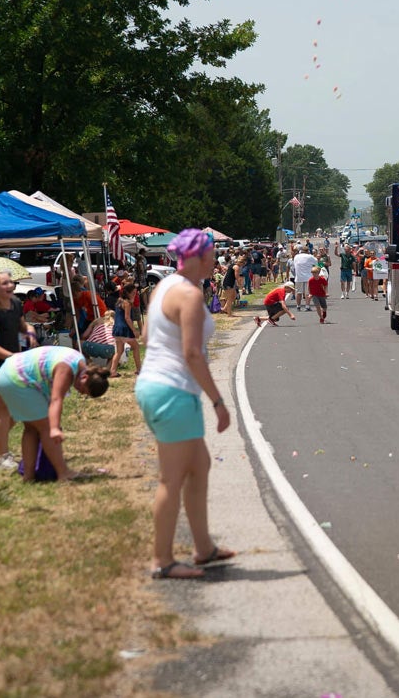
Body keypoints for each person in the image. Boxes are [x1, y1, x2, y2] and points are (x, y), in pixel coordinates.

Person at [135, 229, 235, 579]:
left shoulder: (164, 286)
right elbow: (192, 353)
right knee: (172, 479)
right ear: (198, 256)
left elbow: (146, 336)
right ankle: (162, 561)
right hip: (173, 390)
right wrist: (218, 401)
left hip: (159, 386)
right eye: (212, 255)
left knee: (200, 465)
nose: (214, 261)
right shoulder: (190, 295)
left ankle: (203, 548)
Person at [0, 345, 110, 482]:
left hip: (7, 373)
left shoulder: (78, 361)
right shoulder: (67, 369)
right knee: (46, 428)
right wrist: (54, 428)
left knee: (31, 428)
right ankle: (63, 473)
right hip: (17, 378)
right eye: (83, 390)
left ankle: (29, 476)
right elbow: (56, 399)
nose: (80, 392)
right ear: (84, 377)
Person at [0, 269, 37, 470]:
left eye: (10, 282)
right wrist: (12, 356)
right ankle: (2, 457)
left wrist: (30, 331)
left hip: (12, 363)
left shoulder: (15, 304)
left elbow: (22, 325)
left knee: (16, 410)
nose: (10, 285)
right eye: (4, 283)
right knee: (3, 410)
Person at [109, 282, 141, 378]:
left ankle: (112, 371)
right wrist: (134, 330)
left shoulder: (119, 301)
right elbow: (127, 318)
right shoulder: (127, 303)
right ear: (127, 293)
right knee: (136, 347)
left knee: (119, 351)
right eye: (133, 293)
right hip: (124, 329)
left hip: (117, 329)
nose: (135, 295)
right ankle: (139, 369)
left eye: (135, 293)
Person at [292, 247, 317, 311]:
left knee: (298, 292)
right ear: (307, 251)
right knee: (307, 293)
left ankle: (298, 306)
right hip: (308, 277)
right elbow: (316, 263)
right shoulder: (310, 257)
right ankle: (307, 306)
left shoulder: (296, 257)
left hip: (298, 277)